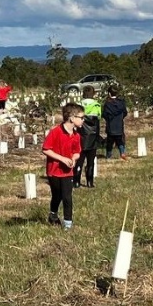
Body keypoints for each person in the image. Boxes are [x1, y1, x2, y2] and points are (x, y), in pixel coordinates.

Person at [42, 102, 83, 230]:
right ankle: (53, 214)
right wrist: (62, 159)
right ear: (72, 118)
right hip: (54, 170)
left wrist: (73, 159)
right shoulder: (55, 132)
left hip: (67, 172)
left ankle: (68, 223)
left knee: (67, 197)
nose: (83, 120)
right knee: (57, 195)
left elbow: (77, 152)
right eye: (81, 117)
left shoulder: (76, 136)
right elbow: (46, 149)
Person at [73, 86, 101, 188]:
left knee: (79, 160)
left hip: (81, 135)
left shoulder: (78, 106)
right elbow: (98, 118)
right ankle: (89, 182)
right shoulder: (96, 105)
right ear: (93, 94)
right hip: (92, 136)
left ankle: (76, 181)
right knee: (90, 161)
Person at [102, 85, 128, 159]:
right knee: (120, 140)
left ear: (109, 93)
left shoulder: (107, 104)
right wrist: (120, 118)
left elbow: (104, 114)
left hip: (110, 125)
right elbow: (125, 113)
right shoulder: (121, 103)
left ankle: (109, 155)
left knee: (110, 142)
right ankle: (122, 153)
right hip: (119, 125)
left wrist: (108, 119)